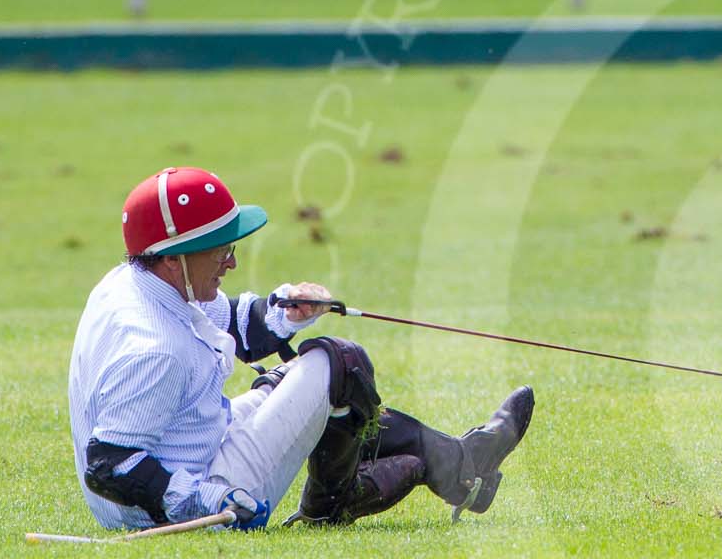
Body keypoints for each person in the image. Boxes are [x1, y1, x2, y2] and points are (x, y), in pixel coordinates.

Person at [68, 165, 533, 531]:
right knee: (340, 363)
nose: (231, 261)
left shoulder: (140, 282)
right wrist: (206, 499)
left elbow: (227, 323)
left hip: (197, 453)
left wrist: (284, 314)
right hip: (180, 503)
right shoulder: (155, 349)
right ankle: (339, 502)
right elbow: (110, 463)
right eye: (219, 249)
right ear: (173, 258)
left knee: (305, 381)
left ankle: (457, 464)